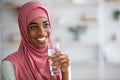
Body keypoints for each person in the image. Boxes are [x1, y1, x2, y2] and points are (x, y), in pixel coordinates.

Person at [1, 1, 70, 80]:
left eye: (45, 25)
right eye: (33, 27)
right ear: (23, 30)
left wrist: (65, 72)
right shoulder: (9, 65)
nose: (41, 32)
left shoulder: (59, 59)